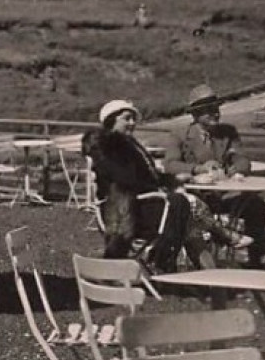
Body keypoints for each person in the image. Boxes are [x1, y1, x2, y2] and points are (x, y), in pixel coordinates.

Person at [84, 99, 198, 271]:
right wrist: (161, 187)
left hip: (141, 203)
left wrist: (176, 179)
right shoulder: (108, 147)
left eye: (133, 119)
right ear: (111, 120)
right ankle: (170, 260)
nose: (132, 123)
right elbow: (125, 180)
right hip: (128, 210)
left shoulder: (129, 144)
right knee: (186, 208)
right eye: (126, 118)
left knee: (191, 209)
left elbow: (148, 177)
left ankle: (188, 260)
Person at [165, 84, 265, 267]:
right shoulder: (179, 135)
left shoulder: (227, 133)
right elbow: (170, 165)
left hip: (224, 194)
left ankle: (256, 259)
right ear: (195, 115)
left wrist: (234, 170)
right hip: (197, 197)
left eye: (216, 109)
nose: (215, 114)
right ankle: (210, 252)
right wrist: (199, 169)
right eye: (208, 111)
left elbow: (242, 159)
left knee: (256, 204)